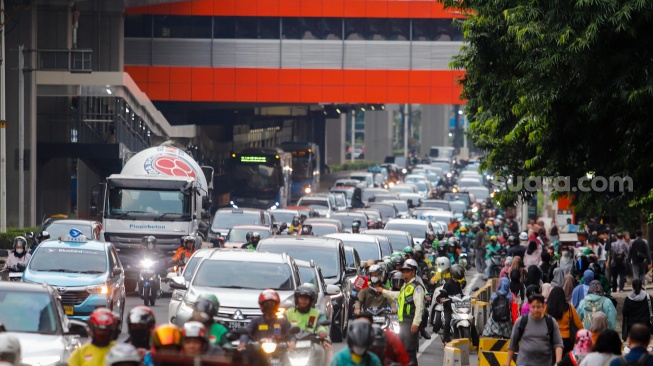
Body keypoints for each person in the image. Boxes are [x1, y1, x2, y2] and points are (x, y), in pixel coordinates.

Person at [379, 259, 425, 365]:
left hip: (410, 322)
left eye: (407, 272)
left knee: (410, 352)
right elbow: (397, 295)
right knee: (402, 350)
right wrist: (383, 291)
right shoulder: (406, 286)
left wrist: (416, 323)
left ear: (413, 272)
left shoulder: (416, 287)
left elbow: (419, 306)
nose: (404, 274)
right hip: (402, 322)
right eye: (403, 272)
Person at [507, 294, 564, 366]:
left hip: (545, 363)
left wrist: (558, 362)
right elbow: (512, 344)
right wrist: (507, 363)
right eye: (533, 307)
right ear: (529, 307)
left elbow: (558, 343)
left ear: (543, 307)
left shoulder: (551, 322)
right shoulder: (521, 321)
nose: (536, 310)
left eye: (538, 307)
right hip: (524, 363)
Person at [285, 283, 333, 357]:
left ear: (311, 300)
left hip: (312, 342)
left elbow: (321, 325)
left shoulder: (317, 313)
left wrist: (322, 333)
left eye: (306, 298)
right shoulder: (288, 313)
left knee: (327, 350)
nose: (303, 300)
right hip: (291, 342)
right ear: (297, 299)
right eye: (301, 298)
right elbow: (282, 327)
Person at [435, 264, 467, 345]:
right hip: (449, 307)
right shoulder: (448, 284)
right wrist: (441, 299)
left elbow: (460, 294)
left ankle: (475, 341)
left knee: (469, 320)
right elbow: (439, 296)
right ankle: (446, 340)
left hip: (458, 307)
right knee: (447, 322)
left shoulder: (457, 284)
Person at [545, 287, 584, 353]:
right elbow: (579, 326)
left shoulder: (546, 309)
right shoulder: (570, 308)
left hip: (551, 338)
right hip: (567, 340)